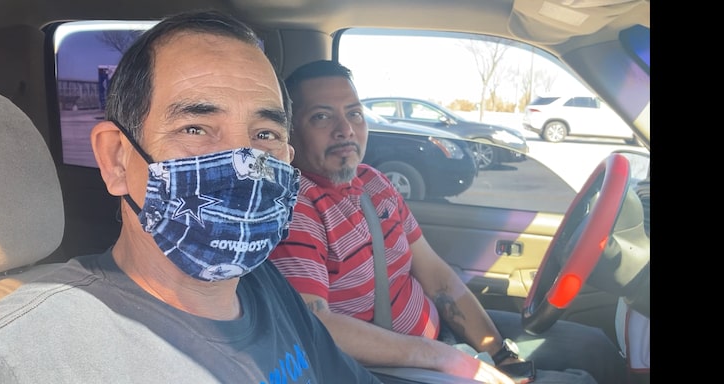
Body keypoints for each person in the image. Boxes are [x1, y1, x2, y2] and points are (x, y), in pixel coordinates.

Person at [0, 12, 382, 383]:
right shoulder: (16, 357)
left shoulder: (266, 285)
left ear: (287, 159)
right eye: (195, 129)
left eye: (265, 135)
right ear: (116, 159)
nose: (245, 163)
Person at [269, 60, 628, 384]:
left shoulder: (374, 183)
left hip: (439, 341)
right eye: (321, 116)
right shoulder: (297, 207)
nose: (345, 129)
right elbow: (316, 323)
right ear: (292, 134)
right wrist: (440, 357)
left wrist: (498, 353)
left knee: (594, 346)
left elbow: (437, 276)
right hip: (388, 367)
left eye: (354, 113)